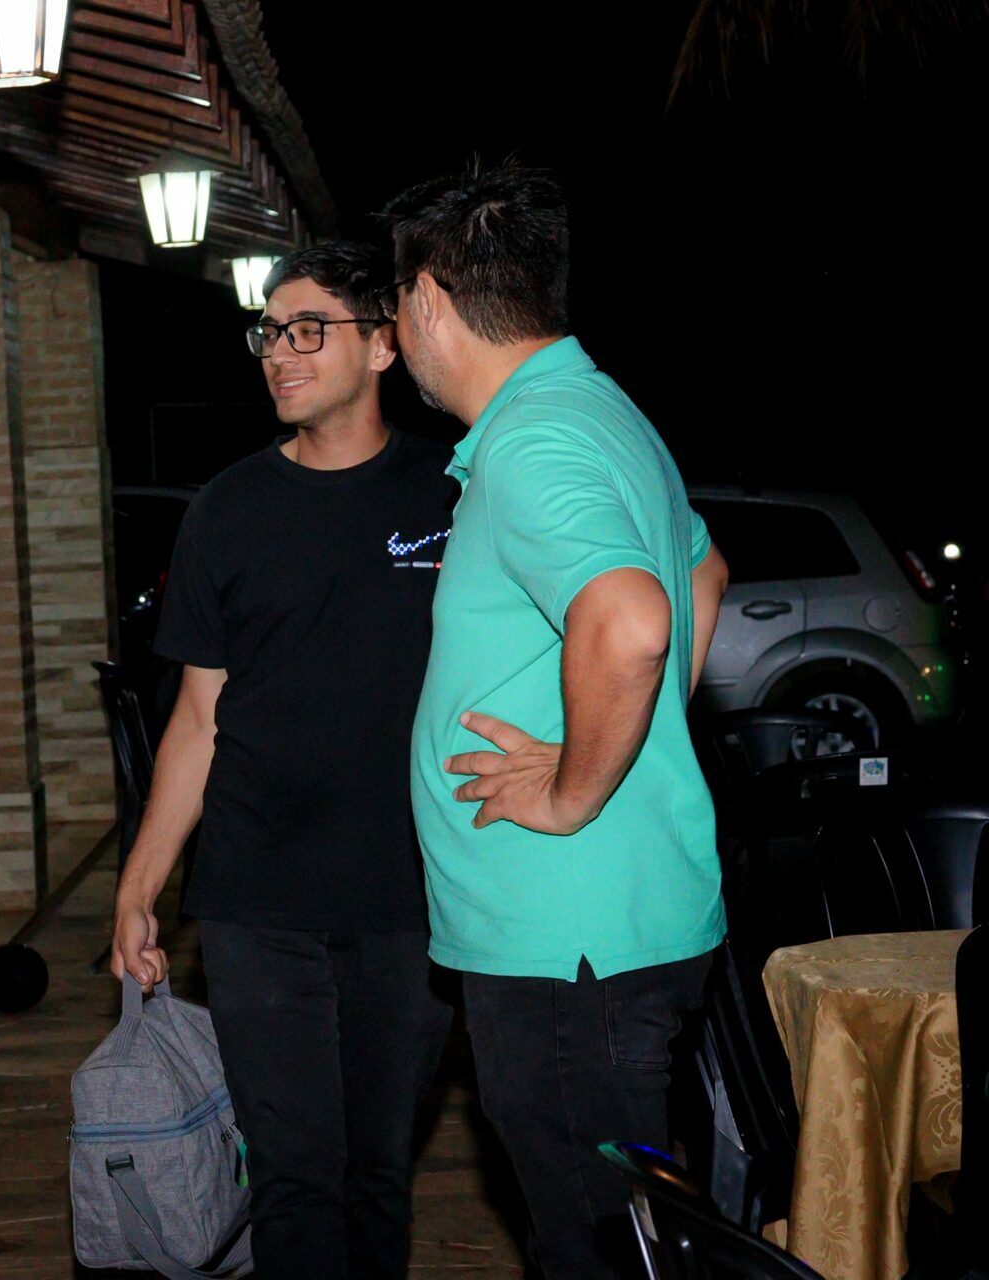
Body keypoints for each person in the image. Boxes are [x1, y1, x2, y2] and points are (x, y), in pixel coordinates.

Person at [383, 161, 731, 1277]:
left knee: (601, 1251)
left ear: (428, 299)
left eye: (396, 300)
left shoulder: (534, 441)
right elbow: (703, 572)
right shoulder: (596, 409)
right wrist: (637, 734)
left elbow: (632, 618)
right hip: (607, 933)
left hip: (568, 946)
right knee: (629, 1233)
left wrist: (577, 785)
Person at [110, 242, 457, 1278]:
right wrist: (140, 886)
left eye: (309, 329)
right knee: (295, 1179)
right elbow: (197, 717)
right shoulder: (229, 508)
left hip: (413, 896)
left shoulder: (452, 492)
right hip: (257, 895)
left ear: (383, 345)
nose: (280, 352)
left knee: (378, 1174)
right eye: (269, 332)